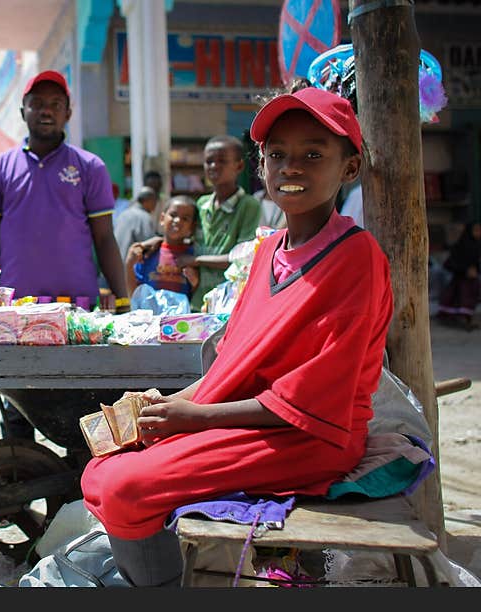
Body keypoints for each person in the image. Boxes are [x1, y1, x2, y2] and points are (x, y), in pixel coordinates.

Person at [81, 86, 393, 586]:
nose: (292, 167)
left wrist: (197, 418)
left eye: (314, 154)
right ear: (262, 167)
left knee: (123, 488)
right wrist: (165, 403)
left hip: (311, 435)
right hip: (250, 416)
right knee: (104, 460)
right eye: (278, 155)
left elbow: (314, 399)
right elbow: (233, 364)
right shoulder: (269, 251)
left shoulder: (358, 258)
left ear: (349, 168)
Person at [0, 70, 129, 440]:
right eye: (38, 104)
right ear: (23, 110)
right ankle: (18, 471)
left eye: (55, 105)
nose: (46, 111)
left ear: (68, 113)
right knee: (17, 405)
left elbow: (105, 239)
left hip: (77, 311)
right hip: (14, 309)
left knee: (80, 403)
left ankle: (78, 486)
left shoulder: (89, 167)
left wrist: (123, 299)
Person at [183, 135, 262, 311]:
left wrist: (196, 260)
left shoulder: (248, 206)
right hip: (198, 300)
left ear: (239, 166)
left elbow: (241, 258)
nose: (214, 166)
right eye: (209, 161)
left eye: (221, 161)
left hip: (229, 302)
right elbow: (183, 238)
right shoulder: (201, 204)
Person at [125, 195, 199, 306]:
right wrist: (129, 264)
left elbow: (195, 295)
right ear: (162, 219)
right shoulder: (149, 253)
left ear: (192, 227)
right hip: (150, 318)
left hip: (180, 320)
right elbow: (134, 293)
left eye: (185, 218)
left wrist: (195, 283)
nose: (177, 221)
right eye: (173, 215)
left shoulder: (193, 255)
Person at [437, 222, 480, 330]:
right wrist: (465, 270)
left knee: (470, 298)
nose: (478, 233)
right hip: (460, 279)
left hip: (473, 281)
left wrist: (476, 270)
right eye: (476, 230)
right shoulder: (461, 245)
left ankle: (467, 319)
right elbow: (450, 263)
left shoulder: (478, 245)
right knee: (461, 297)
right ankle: (458, 320)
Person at [113, 186, 159, 262]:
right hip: (129, 268)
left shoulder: (124, 213)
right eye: (154, 201)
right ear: (148, 200)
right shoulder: (144, 216)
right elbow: (149, 244)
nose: (155, 205)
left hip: (116, 266)